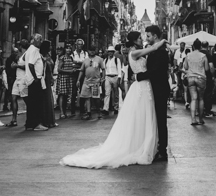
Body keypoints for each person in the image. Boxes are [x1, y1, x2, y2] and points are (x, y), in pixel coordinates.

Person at [60, 30, 166, 168]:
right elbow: (152, 48)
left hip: (145, 87)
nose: (142, 40)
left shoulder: (137, 51)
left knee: (145, 116)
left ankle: (145, 144)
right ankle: (140, 146)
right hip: (141, 87)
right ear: (134, 41)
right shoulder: (133, 53)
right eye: (140, 38)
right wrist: (161, 42)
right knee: (140, 116)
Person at [143, 25, 171, 162]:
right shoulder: (155, 50)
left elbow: (156, 71)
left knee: (160, 119)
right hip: (154, 88)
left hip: (159, 89)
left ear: (155, 36)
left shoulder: (161, 52)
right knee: (156, 118)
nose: (146, 38)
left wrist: (140, 76)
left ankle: (163, 151)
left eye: (148, 36)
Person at [182, 40, 211, 126]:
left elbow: (186, 67)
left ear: (193, 46)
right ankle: (201, 119)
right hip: (201, 78)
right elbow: (206, 69)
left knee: (193, 98)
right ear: (200, 47)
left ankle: (193, 119)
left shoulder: (188, 55)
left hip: (191, 78)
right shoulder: (204, 56)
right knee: (201, 98)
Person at [76, 50, 105, 120]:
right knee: (87, 97)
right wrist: (78, 80)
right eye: (90, 50)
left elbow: (103, 69)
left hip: (96, 81)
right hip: (86, 81)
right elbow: (82, 71)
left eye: (93, 49)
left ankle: (99, 112)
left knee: (96, 98)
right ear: (88, 51)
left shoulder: (99, 59)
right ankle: (88, 113)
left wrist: (103, 78)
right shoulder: (85, 60)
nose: (92, 52)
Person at [55, 42, 78, 119]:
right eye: (67, 48)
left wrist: (74, 70)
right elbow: (59, 69)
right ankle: (62, 112)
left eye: (70, 48)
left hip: (69, 78)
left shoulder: (71, 58)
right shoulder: (62, 58)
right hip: (63, 78)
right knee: (62, 95)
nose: (68, 50)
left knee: (66, 95)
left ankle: (64, 112)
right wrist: (69, 71)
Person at [6, 41, 26, 127]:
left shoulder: (26, 55)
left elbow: (28, 67)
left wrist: (17, 66)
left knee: (26, 99)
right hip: (17, 79)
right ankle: (14, 119)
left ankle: (30, 119)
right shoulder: (18, 56)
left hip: (23, 79)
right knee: (13, 97)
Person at [103, 46, 125, 116]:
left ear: (113, 52)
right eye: (109, 52)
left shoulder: (116, 60)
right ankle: (105, 108)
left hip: (115, 77)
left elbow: (119, 68)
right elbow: (103, 69)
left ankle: (116, 107)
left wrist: (119, 77)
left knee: (116, 93)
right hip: (107, 77)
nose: (110, 53)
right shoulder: (105, 60)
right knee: (107, 93)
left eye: (111, 52)